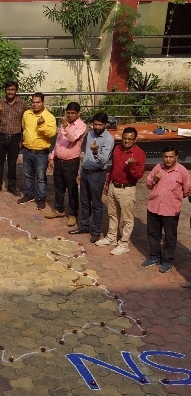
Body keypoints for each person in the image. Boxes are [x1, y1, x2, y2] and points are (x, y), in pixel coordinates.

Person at [95, 127, 146, 255]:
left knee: (126, 219)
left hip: (127, 189)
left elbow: (139, 175)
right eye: (125, 138)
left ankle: (124, 243)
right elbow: (113, 168)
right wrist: (108, 184)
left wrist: (132, 167)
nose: (127, 141)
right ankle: (111, 238)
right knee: (113, 215)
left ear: (135, 140)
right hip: (114, 186)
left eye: (130, 139)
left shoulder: (139, 154)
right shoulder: (117, 149)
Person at [142, 146, 191, 274]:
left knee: (169, 237)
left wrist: (174, 199)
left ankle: (167, 261)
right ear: (162, 157)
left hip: (171, 210)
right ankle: (154, 257)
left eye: (171, 157)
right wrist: (155, 179)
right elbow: (148, 185)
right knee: (153, 234)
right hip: (154, 207)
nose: (168, 160)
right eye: (165, 157)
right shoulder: (157, 167)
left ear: (176, 157)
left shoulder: (182, 171)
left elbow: (186, 191)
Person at [69, 112, 114, 243]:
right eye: (95, 124)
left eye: (100, 125)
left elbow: (104, 159)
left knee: (96, 204)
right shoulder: (90, 135)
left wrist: (95, 152)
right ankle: (83, 226)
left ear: (105, 125)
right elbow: (85, 156)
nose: (97, 127)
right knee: (84, 202)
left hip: (97, 174)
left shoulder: (108, 139)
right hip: (85, 172)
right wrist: (80, 171)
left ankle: (96, 231)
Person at [46, 102, 86, 226]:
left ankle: (73, 214)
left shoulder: (81, 126)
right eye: (68, 113)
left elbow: (72, 138)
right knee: (58, 187)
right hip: (59, 161)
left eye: (72, 113)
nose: (69, 115)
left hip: (71, 163)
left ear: (78, 114)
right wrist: (52, 157)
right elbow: (58, 142)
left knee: (72, 189)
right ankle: (59, 209)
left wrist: (66, 126)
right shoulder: (63, 125)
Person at [18, 92, 56, 210]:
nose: (35, 105)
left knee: (40, 177)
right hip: (28, 151)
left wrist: (41, 125)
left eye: (37, 102)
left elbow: (51, 133)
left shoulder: (49, 117)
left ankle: (40, 198)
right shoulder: (26, 114)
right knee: (28, 175)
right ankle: (29, 194)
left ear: (43, 103)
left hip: (41, 153)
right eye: (33, 102)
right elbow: (24, 128)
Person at [0, 81, 26, 196]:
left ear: (16, 91)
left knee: (12, 163)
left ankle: (12, 186)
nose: (10, 92)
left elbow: (25, 123)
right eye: (8, 89)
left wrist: (22, 140)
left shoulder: (22, 104)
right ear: (5, 90)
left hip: (15, 137)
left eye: (13, 90)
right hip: (1, 136)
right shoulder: (0, 102)